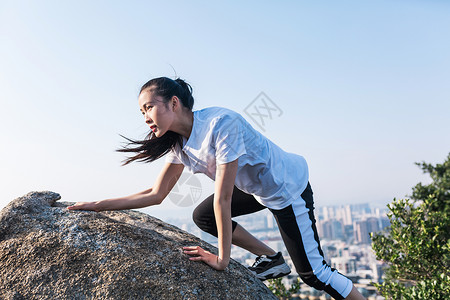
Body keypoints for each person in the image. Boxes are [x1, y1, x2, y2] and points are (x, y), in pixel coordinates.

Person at [68, 77, 365, 300]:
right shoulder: (179, 143)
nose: (145, 117)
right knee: (203, 216)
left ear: (174, 103)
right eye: (141, 111)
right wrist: (96, 205)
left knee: (315, 275)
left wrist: (222, 260)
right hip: (256, 188)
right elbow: (155, 195)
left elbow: (223, 198)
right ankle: (271, 259)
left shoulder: (221, 124)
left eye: (149, 107)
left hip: (286, 188)